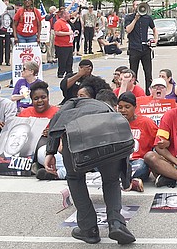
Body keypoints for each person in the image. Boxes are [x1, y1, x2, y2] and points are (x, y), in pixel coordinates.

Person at [45, 95, 136, 244]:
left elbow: (57, 119)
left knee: (75, 178)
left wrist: (51, 151)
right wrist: (126, 179)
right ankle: (116, 223)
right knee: (111, 180)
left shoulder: (74, 101)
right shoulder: (106, 108)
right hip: (109, 137)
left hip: (78, 139)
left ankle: (89, 229)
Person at [117, 92, 158, 192]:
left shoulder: (146, 122)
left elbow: (158, 143)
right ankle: (130, 183)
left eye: (127, 107)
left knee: (142, 167)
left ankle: (122, 181)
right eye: (120, 107)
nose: (123, 110)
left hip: (137, 161)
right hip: (119, 161)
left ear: (135, 107)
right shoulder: (115, 123)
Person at [123, 2, 156, 89]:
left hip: (145, 49)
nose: (138, 7)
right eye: (136, 5)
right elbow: (128, 30)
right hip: (134, 48)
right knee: (133, 73)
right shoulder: (129, 17)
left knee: (148, 73)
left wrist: (155, 39)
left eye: (139, 5)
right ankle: (134, 91)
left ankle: (148, 93)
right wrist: (135, 19)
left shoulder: (147, 18)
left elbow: (154, 29)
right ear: (133, 7)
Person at [53, 7, 75, 79]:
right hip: (62, 45)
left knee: (69, 59)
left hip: (69, 44)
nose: (69, 15)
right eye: (68, 14)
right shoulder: (59, 22)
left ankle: (69, 71)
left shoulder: (67, 23)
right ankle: (61, 72)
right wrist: (68, 33)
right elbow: (57, 32)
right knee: (63, 59)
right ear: (64, 15)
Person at [0, 4, 14, 71]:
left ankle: (7, 61)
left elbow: (12, 23)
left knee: (7, 47)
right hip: (0, 32)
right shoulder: (0, 15)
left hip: (7, 32)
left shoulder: (11, 16)